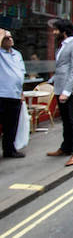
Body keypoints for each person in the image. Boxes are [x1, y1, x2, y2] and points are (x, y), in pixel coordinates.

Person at [46, 18, 73, 167]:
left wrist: (67, 91)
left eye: (56, 30)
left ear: (63, 31)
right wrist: (52, 81)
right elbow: (62, 67)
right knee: (66, 121)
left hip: (69, 91)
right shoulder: (62, 46)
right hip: (59, 88)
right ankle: (66, 147)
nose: (54, 32)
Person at [0, 29, 26, 158]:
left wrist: (21, 92)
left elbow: (21, 73)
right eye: (6, 38)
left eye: (10, 37)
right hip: (2, 94)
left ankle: (9, 150)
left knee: (11, 126)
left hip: (15, 94)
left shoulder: (17, 54)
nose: (10, 39)